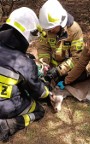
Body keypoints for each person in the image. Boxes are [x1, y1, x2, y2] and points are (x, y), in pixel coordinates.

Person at [0, 7, 52, 141]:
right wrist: (47, 91)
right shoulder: (24, 63)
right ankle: (8, 124)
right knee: (39, 111)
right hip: (5, 108)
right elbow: (37, 92)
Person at [36, 0, 85, 83]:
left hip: (67, 69)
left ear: (61, 22)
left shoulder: (75, 30)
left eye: (52, 28)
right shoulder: (47, 29)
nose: (50, 31)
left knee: (81, 76)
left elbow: (77, 58)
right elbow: (43, 48)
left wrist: (59, 71)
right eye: (48, 28)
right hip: (51, 68)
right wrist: (44, 65)